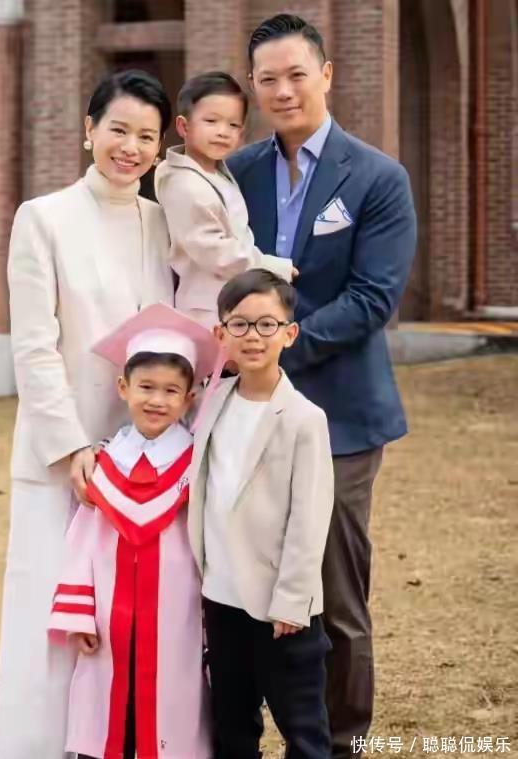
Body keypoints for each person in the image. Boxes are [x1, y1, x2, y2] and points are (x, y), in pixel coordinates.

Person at [226, 15, 417, 758]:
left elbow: (373, 299)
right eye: (267, 79)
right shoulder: (235, 174)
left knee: (334, 595)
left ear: (326, 75)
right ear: (253, 86)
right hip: (244, 414)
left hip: (341, 418)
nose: (283, 90)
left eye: (296, 75)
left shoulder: (377, 177)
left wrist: (271, 345)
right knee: (239, 586)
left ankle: (342, 743)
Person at [0, 70, 175, 759]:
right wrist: (72, 447)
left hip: (147, 456)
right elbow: (34, 348)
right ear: (89, 129)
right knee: (50, 623)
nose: (131, 147)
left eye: (147, 136)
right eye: (118, 129)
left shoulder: (164, 223)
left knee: (126, 621)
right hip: (63, 459)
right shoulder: (43, 218)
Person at [48, 303, 218, 759]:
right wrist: (79, 615)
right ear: (123, 388)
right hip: (109, 613)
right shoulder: (103, 465)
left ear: (189, 398)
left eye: (171, 390)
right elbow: (81, 542)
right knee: (108, 705)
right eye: (145, 387)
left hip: (178, 609)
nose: (157, 400)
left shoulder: (196, 464)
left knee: (171, 704)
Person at [188, 268, 335, 759]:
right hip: (221, 596)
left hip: (279, 608)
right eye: (240, 324)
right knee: (232, 722)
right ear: (220, 334)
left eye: (267, 325)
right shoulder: (211, 404)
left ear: (289, 334)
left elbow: (310, 518)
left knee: (302, 727)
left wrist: (292, 600)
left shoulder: (305, 419)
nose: (253, 336)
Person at [154, 71, 295, 330]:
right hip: (207, 310)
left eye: (233, 125)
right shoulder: (184, 184)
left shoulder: (215, 171)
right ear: (184, 126)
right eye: (211, 121)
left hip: (231, 300)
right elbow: (215, 250)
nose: (222, 132)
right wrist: (270, 267)